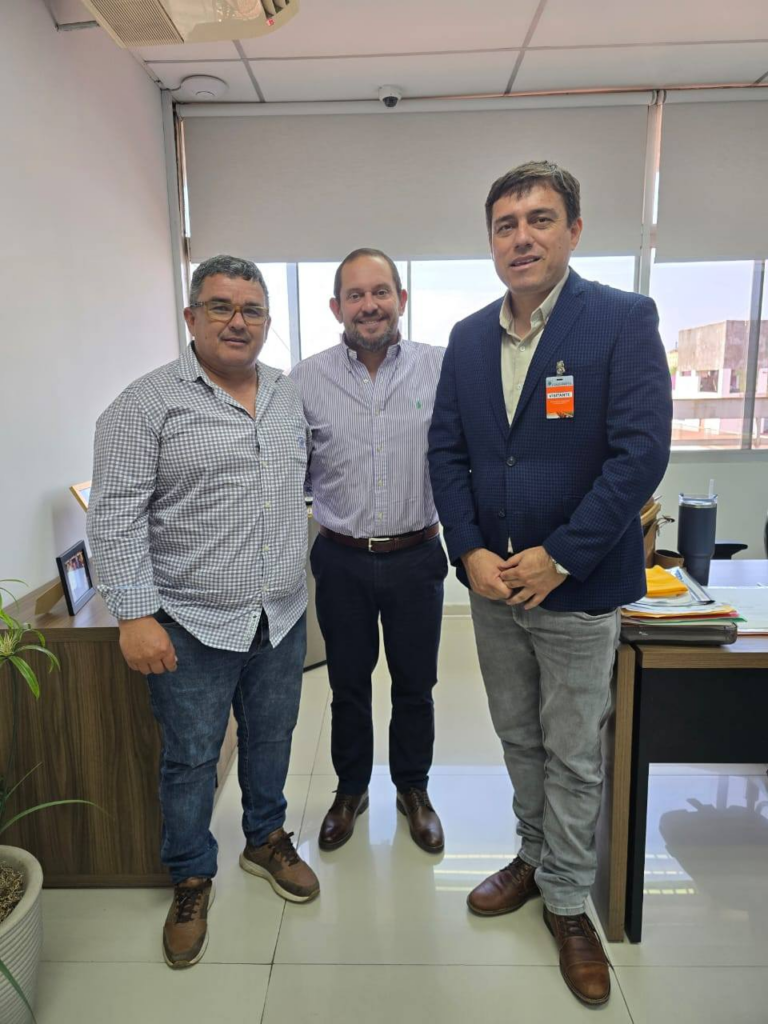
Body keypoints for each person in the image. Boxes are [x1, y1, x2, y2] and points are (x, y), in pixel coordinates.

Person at [428, 162, 672, 1006]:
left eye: (539, 219)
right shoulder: (468, 337)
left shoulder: (621, 319)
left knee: (573, 750)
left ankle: (569, 902)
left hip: (577, 586)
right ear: (491, 241)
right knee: (518, 736)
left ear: (574, 230)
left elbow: (640, 454)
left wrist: (560, 555)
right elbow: (448, 454)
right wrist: (468, 552)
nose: (521, 237)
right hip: (494, 588)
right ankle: (534, 856)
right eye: (506, 224)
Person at [87, 255, 319, 971]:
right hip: (190, 622)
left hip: (280, 614)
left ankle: (265, 838)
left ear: (268, 322)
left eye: (252, 310)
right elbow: (114, 517)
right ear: (191, 317)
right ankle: (190, 876)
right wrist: (134, 615)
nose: (237, 321)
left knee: (272, 736)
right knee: (190, 758)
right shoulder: (143, 405)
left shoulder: (286, 396)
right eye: (220, 307)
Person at [290, 248, 448, 854]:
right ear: (337, 307)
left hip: (416, 556)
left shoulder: (441, 368)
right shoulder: (306, 379)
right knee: (348, 685)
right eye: (355, 295)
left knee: (416, 685)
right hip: (341, 559)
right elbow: (290, 469)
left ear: (401, 299)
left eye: (380, 291)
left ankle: (414, 789)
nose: (369, 305)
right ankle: (350, 789)